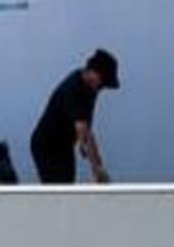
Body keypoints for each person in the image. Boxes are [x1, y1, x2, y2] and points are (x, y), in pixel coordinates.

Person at [31, 49, 120, 185]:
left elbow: (86, 124)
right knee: (59, 187)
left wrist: (85, 146)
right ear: (93, 72)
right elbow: (84, 131)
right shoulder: (74, 89)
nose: (101, 88)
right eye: (102, 82)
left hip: (64, 145)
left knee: (67, 185)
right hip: (46, 146)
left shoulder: (91, 88)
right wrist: (97, 169)